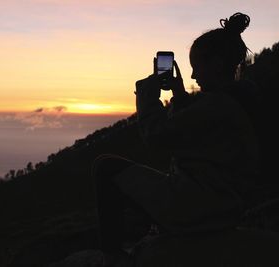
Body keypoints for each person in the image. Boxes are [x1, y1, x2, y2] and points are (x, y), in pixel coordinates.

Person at [92, 12, 260, 266]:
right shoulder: (237, 100)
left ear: (215, 64)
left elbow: (157, 136)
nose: (193, 76)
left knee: (105, 166)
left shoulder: (218, 104)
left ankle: (112, 257)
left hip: (200, 206)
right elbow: (195, 131)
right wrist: (180, 95)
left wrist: (147, 96)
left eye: (197, 66)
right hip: (224, 205)